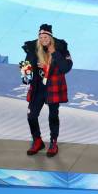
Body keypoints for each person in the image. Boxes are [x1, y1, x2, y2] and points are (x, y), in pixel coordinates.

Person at [22, 24, 73, 157]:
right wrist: (25, 75)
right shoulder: (33, 48)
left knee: (53, 116)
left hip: (53, 87)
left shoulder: (60, 48)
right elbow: (26, 66)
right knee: (31, 115)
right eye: (41, 37)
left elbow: (65, 68)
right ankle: (37, 141)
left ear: (50, 37)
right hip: (38, 87)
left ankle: (53, 142)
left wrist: (53, 54)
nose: (43, 39)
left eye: (45, 37)